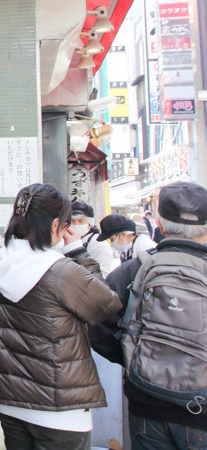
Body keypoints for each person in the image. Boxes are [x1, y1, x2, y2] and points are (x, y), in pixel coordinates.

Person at [0, 184, 121, 449]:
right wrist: (78, 251)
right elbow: (105, 305)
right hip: (58, 406)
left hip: (9, 398)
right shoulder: (60, 270)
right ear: (57, 224)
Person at [90, 182, 207, 450]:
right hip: (202, 409)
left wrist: (136, 357)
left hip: (146, 404)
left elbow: (99, 330)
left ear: (160, 225)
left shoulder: (131, 271)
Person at [70, 200, 115, 275]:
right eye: (72, 221)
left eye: (81, 221)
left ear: (89, 223)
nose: (76, 225)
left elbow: (103, 275)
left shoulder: (99, 245)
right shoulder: (65, 241)